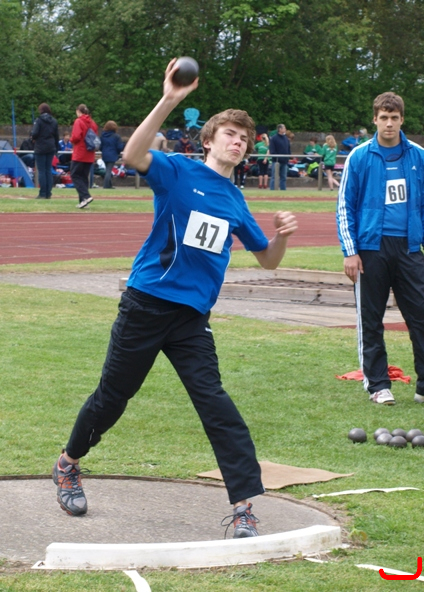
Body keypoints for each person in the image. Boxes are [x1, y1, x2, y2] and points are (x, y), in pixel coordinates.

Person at [52, 58, 298, 539]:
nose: (238, 142)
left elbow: (267, 260)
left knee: (216, 405)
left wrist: (282, 237)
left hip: (191, 319)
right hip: (146, 304)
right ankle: (68, 463)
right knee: (112, 398)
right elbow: (131, 153)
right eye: (229, 134)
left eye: (244, 138)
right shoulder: (177, 172)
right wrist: (170, 98)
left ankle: (244, 507)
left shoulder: (235, 201)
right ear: (209, 141)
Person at [337, 91, 424, 406]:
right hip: (370, 250)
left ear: (402, 120)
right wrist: (350, 251)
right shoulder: (359, 156)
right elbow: (345, 206)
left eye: (394, 118)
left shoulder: (418, 156)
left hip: (409, 248)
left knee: (420, 315)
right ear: (375, 120)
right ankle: (378, 385)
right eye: (383, 118)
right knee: (371, 319)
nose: (389, 123)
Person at [70, 104, 98, 208]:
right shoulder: (93, 123)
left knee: (75, 175)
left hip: (80, 153)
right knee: (83, 177)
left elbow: (76, 136)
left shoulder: (79, 121)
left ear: (78, 111)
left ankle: (86, 196)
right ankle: (83, 201)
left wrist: (71, 140)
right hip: (89, 153)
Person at [31, 103, 59, 199]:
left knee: (42, 171)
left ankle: (42, 193)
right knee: (48, 170)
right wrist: (56, 148)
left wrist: (32, 137)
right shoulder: (54, 121)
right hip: (51, 147)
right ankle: (48, 193)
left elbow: (34, 133)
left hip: (40, 147)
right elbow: (56, 136)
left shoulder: (39, 120)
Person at [100, 121, 125, 189]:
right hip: (112, 154)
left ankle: (109, 185)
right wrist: (118, 151)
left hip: (104, 154)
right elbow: (119, 147)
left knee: (108, 169)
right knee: (109, 170)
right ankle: (106, 185)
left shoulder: (103, 135)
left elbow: (100, 146)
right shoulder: (116, 136)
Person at [268, 124, 291, 190]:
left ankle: (283, 190)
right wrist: (277, 157)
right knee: (274, 177)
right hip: (276, 161)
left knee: (283, 177)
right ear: (280, 129)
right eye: (284, 128)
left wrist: (288, 156)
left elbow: (288, 149)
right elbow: (272, 150)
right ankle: (272, 190)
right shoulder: (274, 138)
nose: (285, 129)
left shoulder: (286, 138)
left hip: (284, 161)